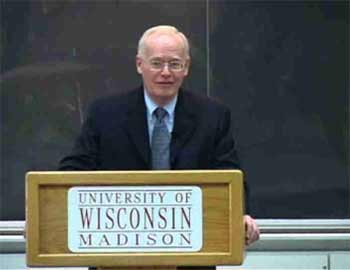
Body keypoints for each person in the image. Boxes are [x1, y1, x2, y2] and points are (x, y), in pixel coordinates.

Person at [59, 25, 259, 247]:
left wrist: (240, 214)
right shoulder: (104, 114)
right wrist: (48, 215)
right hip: (119, 248)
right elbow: (73, 171)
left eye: (174, 64)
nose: (166, 72)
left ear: (186, 67)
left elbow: (229, 175)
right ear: (139, 65)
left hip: (192, 248)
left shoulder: (213, 116)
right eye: (156, 63)